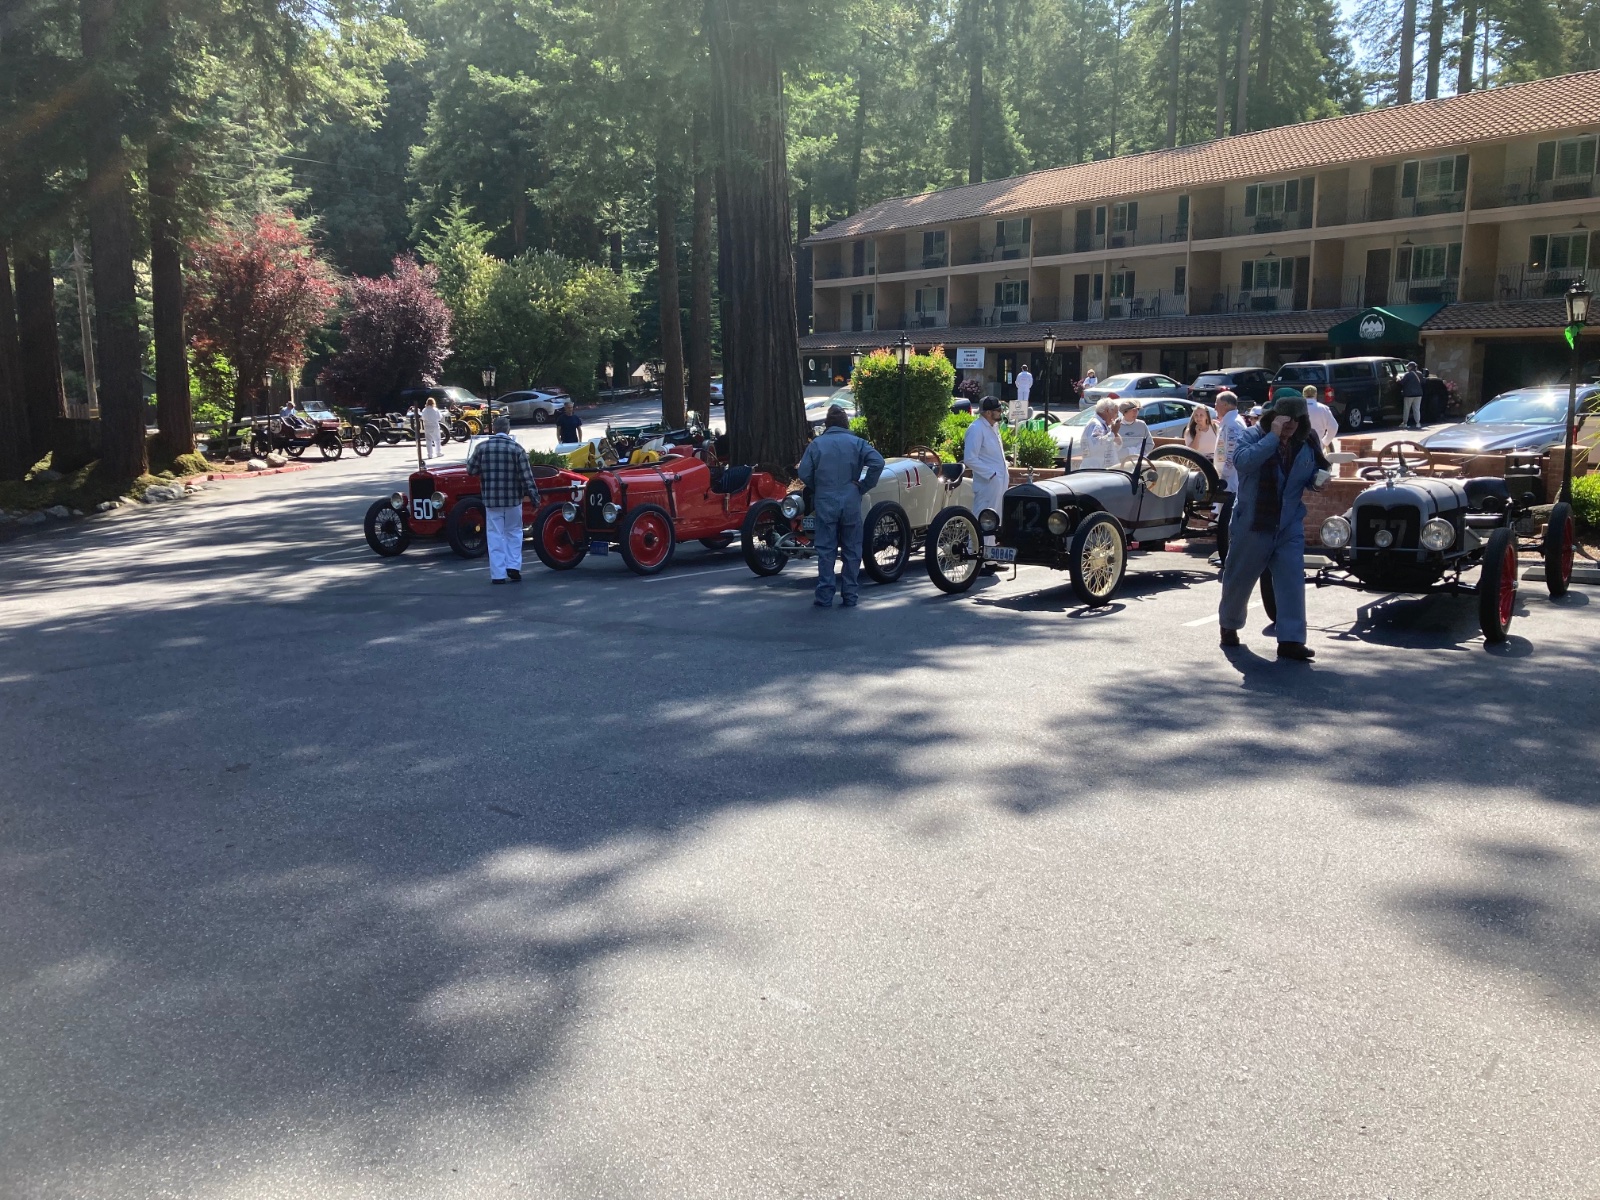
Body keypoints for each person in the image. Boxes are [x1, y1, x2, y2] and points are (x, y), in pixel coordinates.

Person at [1217, 396, 1328, 661]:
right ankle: (1229, 625)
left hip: (1289, 523)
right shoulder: (1253, 435)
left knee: (1292, 581)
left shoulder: (1307, 441)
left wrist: (1318, 480)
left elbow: (1313, 470)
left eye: (1297, 420)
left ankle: (1291, 640)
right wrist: (1272, 438)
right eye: (1285, 419)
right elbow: (1242, 463)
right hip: (1254, 522)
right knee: (1240, 578)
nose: (1291, 425)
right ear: (1274, 417)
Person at [796, 406, 885, 608]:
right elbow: (878, 462)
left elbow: (804, 472)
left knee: (826, 549)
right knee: (852, 549)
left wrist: (817, 485)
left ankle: (825, 595)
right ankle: (850, 594)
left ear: (827, 424)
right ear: (846, 423)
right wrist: (863, 485)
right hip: (851, 498)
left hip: (825, 499)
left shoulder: (817, 444)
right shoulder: (857, 443)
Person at [466, 415, 538, 585]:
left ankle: (498, 574)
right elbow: (527, 477)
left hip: (491, 500)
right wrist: (534, 497)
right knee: (514, 532)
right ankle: (513, 566)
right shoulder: (517, 449)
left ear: (494, 429)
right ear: (508, 430)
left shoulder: (482, 448)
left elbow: (471, 470)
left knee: (495, 535)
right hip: (513, 499)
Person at [964, 397, 1009, 572]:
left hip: (998, 481)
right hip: (987, 482)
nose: (1000, 413)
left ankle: (989, 559)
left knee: (994, 519)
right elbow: (970, 458)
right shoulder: (976, 429)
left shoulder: (993, 427)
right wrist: (991, 474)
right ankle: (974, 559)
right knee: (981, 518)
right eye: (998, 410)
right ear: (988, 412)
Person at [1211, 390, 1246, 567]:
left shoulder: (1233, 424)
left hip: (1230, 480)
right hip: (1227, 478)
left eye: (1217, 403)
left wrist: (1223, 474)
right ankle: (1227, 554)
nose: (1215, 407)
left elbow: (1232, 452)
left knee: (1229, 520)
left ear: (1225, 404)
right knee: (1224, 520)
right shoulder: (1229, 422)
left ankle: (1230, 556)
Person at [1079, 398, 1123, 468]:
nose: (1117, 416)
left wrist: (1115, 433)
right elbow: (1095, 446)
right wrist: (1113, 433)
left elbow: (1116, 447)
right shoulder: (1095, 425)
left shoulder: (1105, 425)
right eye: (1115, 412)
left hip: (1106, 468)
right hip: (1095, 469)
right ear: (1107, 411)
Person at [1302, 384, 1338, 452]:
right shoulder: (1324, 408)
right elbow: (1334, 427)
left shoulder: (1298, 408)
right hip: (1318, 446)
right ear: (1315, 395)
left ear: (1303, 395)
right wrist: (1325, 442)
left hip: (1299, 448)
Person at [1400, 361, 1425, 429]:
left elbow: (1402, 382)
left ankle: (1405, 423)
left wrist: (1398, 379)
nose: (1407, 368)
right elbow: (1423, 382)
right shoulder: (1420, 374)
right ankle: (1418, 423)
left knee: (1407, 409)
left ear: (1411, 367)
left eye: (1408, 367)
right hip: (1418, 394)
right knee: (1417, 409)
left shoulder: (1407, 374)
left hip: (1409, 394)